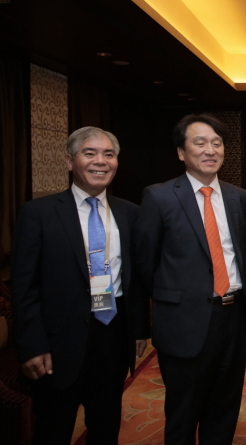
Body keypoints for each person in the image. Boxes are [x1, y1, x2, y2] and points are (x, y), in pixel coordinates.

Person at [12, 126, 149, 445]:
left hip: (112, 336)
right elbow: (24, 287)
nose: (100, 161)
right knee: (53, 429)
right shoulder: (38, 213)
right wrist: (32, 345)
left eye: (109, 154)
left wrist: (139, 330)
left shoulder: (130, 213)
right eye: (90, 153)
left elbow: (136, 279)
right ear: (69, 161)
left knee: (105, 426)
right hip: (57, 343)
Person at [134, 113, 246, 445]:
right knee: (183, 413)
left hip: (232, 316)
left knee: (225, 408)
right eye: (200, 142)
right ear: (181, 152)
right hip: (183, 320)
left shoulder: (239, 198)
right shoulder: (159, 197)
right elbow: (145, 264)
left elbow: (238, 256)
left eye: (217, 143)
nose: (210, 150)